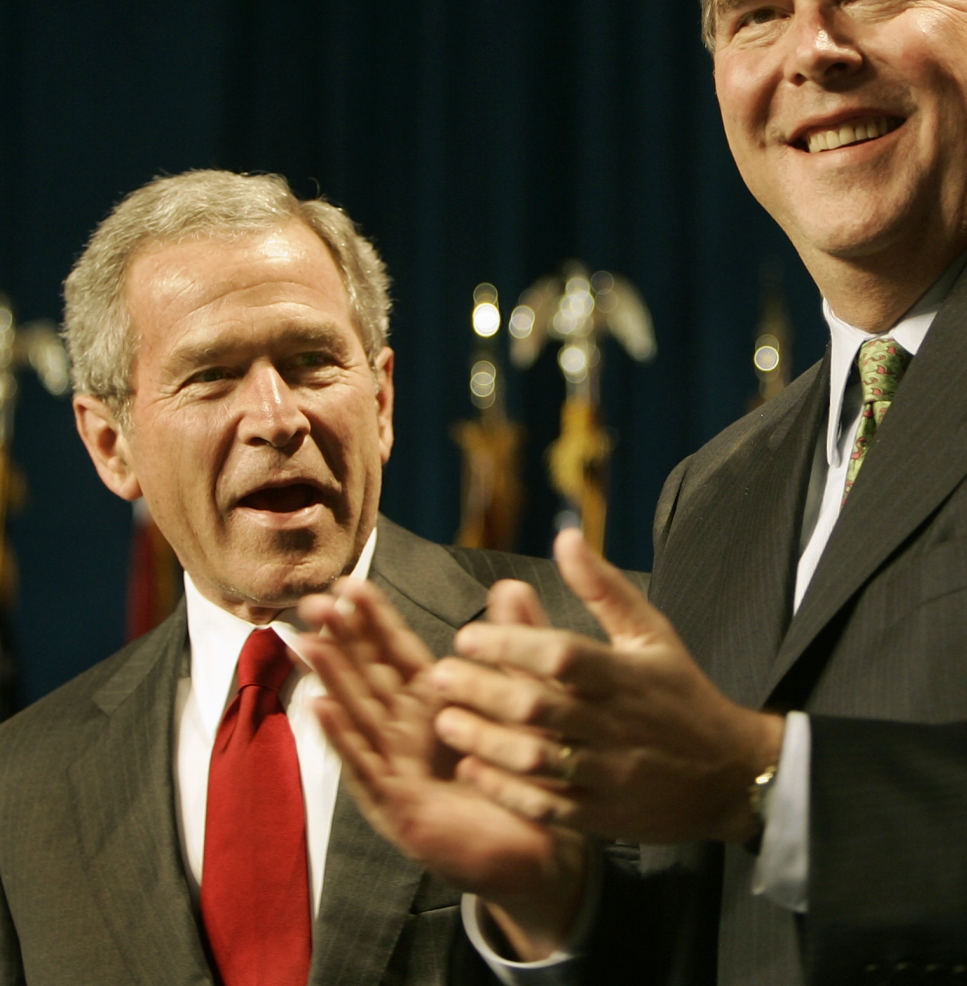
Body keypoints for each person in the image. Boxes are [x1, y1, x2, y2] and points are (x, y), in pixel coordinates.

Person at [295, 0, 967, 985]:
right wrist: (546, 901)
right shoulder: (711, 495)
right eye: (753, 12)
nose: (812, 53)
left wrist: (763, 777)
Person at [0, 169, 602, 986]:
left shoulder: (586, 655)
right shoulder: (22, 786)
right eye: (211, 374)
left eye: (313, 361)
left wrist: (548, 916)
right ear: (112, 445)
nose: (279, 418)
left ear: (382, 402)